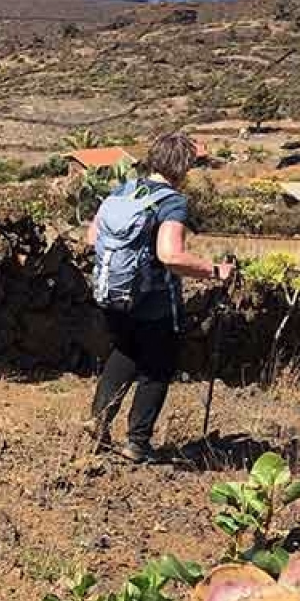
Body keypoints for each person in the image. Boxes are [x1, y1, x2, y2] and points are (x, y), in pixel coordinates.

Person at [87, 132, 235, 463]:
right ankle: (137, 444)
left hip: (114, 292)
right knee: (158, 366)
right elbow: (170, 255)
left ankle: (98, 421)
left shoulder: (122, 190)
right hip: (154, 302)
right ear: (182, 167)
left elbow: (92, 236)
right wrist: (214, 271)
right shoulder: (172, 202)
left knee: (125, 352)